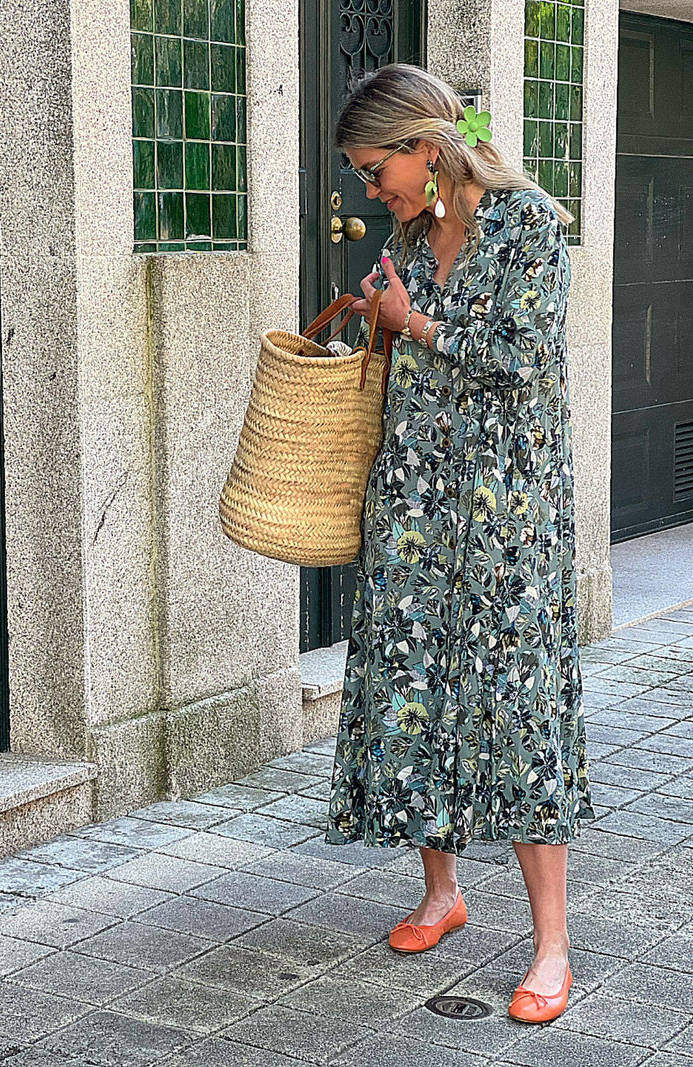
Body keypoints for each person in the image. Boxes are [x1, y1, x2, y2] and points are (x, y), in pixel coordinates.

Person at [322, 63, 596, 1024]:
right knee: (411, 680)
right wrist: (381, 324)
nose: (371, 190)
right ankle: (442, 891)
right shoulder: (405, 233)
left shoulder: (527, 223)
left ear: (423, 149)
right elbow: (412, 347)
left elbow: (523, 358)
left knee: (516, 706)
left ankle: (553, 945)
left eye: (373, 169)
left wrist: (420, 322)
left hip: (507, 508)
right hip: (412, 495)